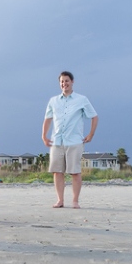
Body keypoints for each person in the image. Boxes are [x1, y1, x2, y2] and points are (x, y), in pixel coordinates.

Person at [41, 71, 98, 209]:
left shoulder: (81, 99)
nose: (64, 84)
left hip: (74, 141)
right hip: (57, 141)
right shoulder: (53, 101)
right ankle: (60, 200)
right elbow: (48, 119)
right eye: (61, 81)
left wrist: (90, 135)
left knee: (75, 172)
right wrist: (44, 135)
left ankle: (75, 201)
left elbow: (94, 116)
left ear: (72, 82)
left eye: (66, 81)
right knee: (57, 171)